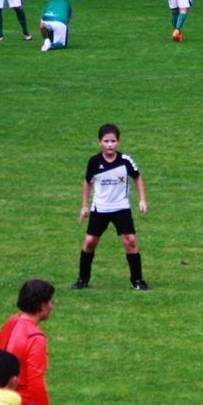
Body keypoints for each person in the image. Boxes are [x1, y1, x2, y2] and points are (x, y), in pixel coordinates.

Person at [74, 123, 151, 291]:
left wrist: (142, 200)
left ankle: (137, 281)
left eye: (113, 141)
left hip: (121, 207)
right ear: (99, 142)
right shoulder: (94, 162)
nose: (110, 144)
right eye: (106, 141)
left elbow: (137, 177)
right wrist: (84, 206)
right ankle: (82, 279)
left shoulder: (125, 161)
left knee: (130, 241)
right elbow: (87, 182)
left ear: (118, 142)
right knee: (90, 242)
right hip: (100, 208)